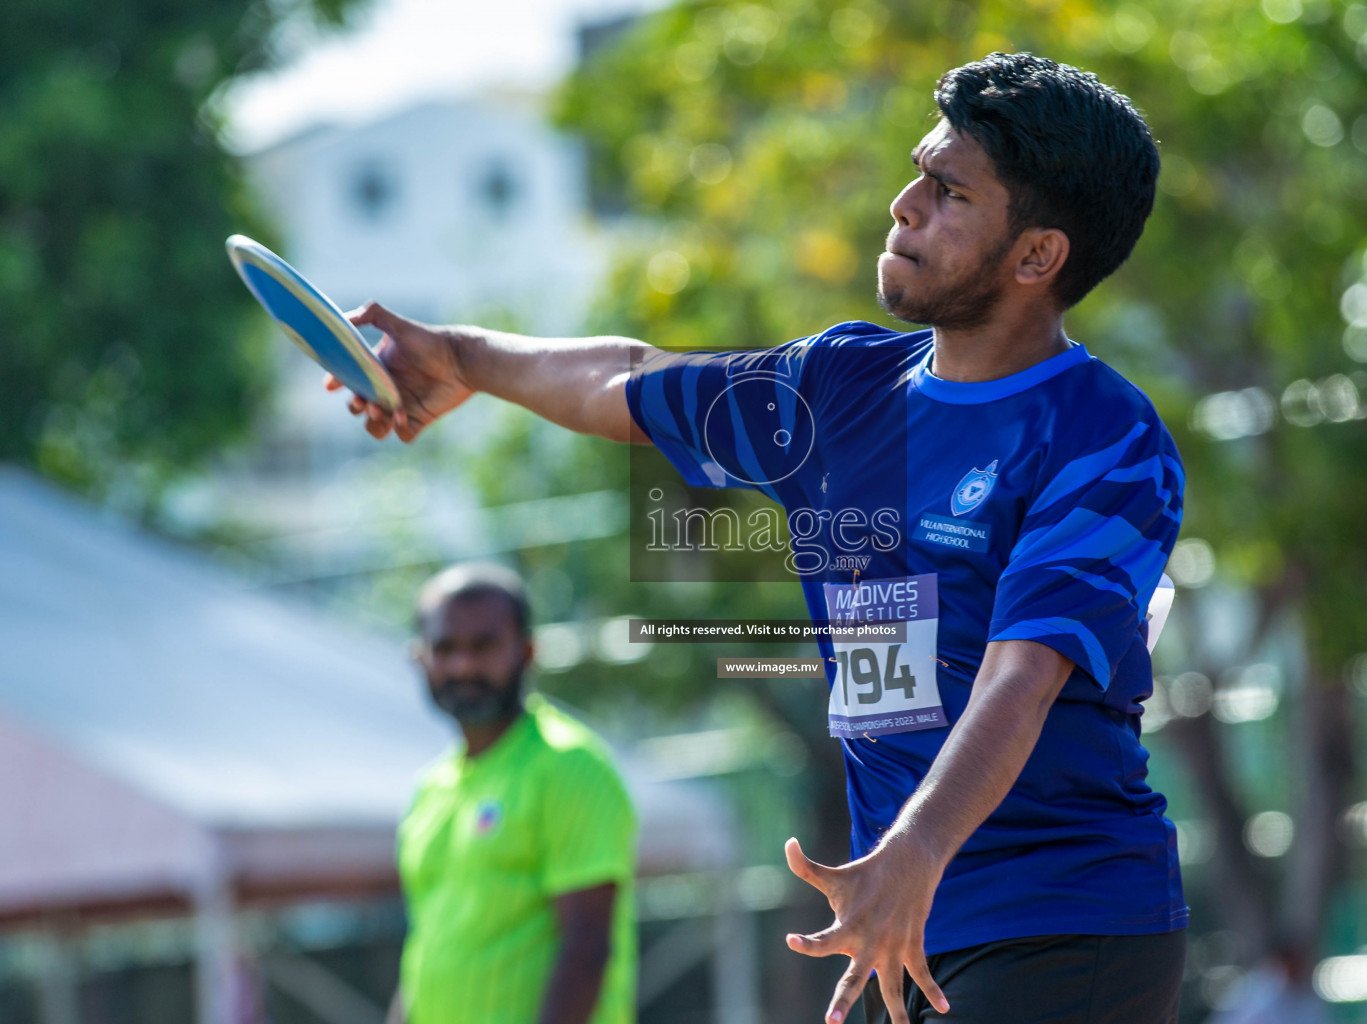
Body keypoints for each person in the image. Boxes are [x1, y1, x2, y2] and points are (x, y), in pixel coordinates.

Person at [339, 52, 1185, 1024]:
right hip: (897, 920)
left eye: (949, 193)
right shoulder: (840, 385)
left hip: (1061, 924)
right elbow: (629, 378)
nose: (906, 204)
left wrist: (911, 853)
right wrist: (464, 356)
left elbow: (1019, 678)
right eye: (919, 171)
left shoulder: (1103, 435)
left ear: (1038, 256)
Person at [387, 563, 636, 1024]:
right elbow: (431, 949)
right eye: (445, 648)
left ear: (527, 651)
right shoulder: (430, 790)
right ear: (420, 658)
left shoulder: (567, 764)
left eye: (484, 646)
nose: (464, 665)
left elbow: (585, 948)